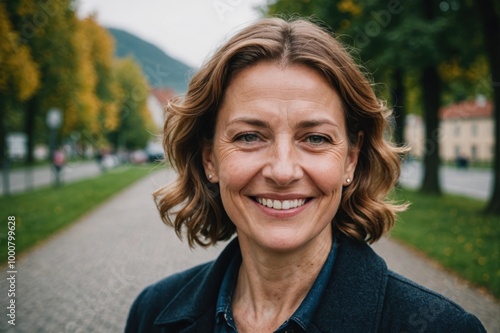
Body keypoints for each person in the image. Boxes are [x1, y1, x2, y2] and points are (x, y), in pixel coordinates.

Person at [125, 18, 485, 332]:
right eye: (250, 136)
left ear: (350, 159)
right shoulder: (151, 313)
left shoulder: (441, 326)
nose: (282, 171)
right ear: (209, 159)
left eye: (315, 138)